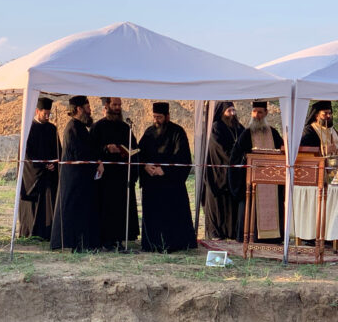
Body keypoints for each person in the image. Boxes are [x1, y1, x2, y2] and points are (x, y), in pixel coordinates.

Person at [138, 103, 197, 252]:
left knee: (172, 217)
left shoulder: (178, 132)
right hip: (152, 184)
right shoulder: (149, 132)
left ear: (167, 117)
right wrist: (145, 166)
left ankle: (173, 244)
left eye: (159, 117)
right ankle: (152, 244)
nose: (156, 120)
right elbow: (140, 153)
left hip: (171, 185)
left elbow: (183, 158)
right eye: (154, 117)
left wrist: (164, 170)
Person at [50, 96, 102, 251]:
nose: (90, 110)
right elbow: (81, 153)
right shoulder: (73, 127)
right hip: (74, 178)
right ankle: (73, 243)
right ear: (79, 109)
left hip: (80, 177)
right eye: (88, 107)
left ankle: (82, 242)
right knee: (73, 210)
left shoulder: (79, 127)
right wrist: (96, 162)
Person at [229, 100, 284, 242]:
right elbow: (235, 156)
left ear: (266, 113)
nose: (256, 115)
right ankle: (250, 236)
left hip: (272, 181)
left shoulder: (273, 133)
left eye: (260, 112)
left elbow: (282, 152)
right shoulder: (246, 133)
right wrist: (245, 159)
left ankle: (272, 238)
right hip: (252, 180)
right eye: (254, 112)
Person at [91, 96, 138, 249]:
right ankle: (105, 240)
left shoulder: (125, 127)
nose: (118, 108)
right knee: (106, 209)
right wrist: (106, 149)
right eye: (115, 104)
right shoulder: (97, 127)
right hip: (105, 178)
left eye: (119, 105)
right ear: (107, 105)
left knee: (121, 210)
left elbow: (134, 148)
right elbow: (90, 150)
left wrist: (128, 152)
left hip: (122, 176)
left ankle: (119, 239)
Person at [17, 96, 59, 240]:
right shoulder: (28, 129)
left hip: (49, 175)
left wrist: (54, 164)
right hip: (33, 175)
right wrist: (42, 166)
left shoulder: (52, 129)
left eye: (49, 114)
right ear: (37, 111)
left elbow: (58, 151)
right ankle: (30, 232)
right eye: (45, 113)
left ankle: (47, 233)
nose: (47, 116)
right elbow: (26, 155)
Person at [202, 101, 242, 240]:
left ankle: (231, 232)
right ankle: (216, 232)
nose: (232, 113)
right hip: (217, 172)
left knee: (231, 205)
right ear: (221, 113)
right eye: (229, 111)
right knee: (217, 204)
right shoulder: (216, 127)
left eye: (233, 110)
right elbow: (219, 149)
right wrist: (236, 157)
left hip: (233, 172)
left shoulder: (238, 127)